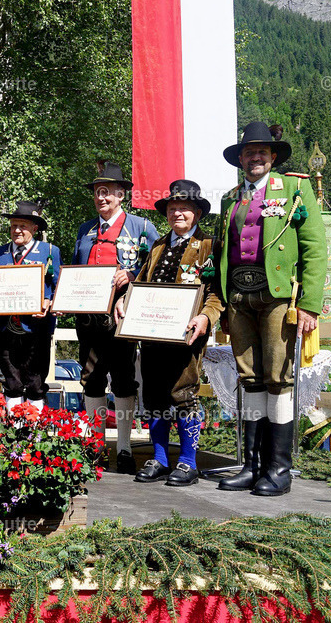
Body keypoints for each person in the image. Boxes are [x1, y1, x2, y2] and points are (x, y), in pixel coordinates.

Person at [214, 122, 326, 496]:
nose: (255, 157)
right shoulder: (230, 198)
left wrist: (309, 304)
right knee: (250, 379)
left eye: (261, 152)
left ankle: (279, 468)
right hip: (239, 299)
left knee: (278, 377)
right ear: (241, 160)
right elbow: (220, 254)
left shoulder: (296, 189)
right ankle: (252, 465)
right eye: (248, 153)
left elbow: (314, 249)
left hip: (278, 296)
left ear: (272, 157)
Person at [117, 180, 223, 486]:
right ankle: (161, 458)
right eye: (173, 208)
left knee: (184, 395)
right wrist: (125, 300)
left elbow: (216, 293)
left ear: (197, 213)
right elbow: (140, 282)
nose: (178, 213)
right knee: (154, 397)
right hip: (150, 333)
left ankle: (188, 462)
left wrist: (206, 316)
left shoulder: (210, 246)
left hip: (186, 335)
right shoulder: (158, 245)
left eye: (184, 208)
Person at [71, 161, 159, 474]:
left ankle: (123, 449)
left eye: (109, 191)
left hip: (123, 318)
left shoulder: (143, 228)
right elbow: (74, 273)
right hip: (88, 320)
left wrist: (132, 278)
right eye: (98, 192)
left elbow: (157, 270)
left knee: (123, 381)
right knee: (91, 380)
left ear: (122, 194)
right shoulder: (85, 230)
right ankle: (95, 448)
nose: (103, 197)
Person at [0, 200, 61, 413]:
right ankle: (13, 433)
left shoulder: (49, 251)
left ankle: (33, 435)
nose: (17, 230)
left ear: (35, 229)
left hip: (37, 328)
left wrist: (50, 301)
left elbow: (59, 287)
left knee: (36, 381)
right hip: (7, 327)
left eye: (23, 226)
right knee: (11, 381)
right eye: (13, 226)